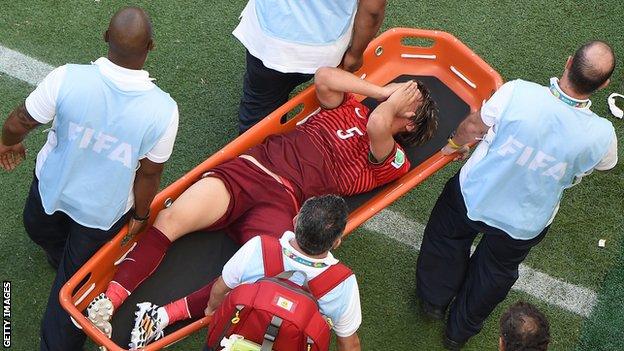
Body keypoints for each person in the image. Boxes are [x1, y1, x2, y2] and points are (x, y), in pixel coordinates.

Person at [87, 67, 439, 346]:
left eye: (409, 94)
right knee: (170, 218)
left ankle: (163, 317)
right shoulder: (351, 106)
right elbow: (324, 77)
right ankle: (110, 301)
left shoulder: (394, 159)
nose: (401, 88)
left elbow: (379, 124)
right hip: (252, 168)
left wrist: (389, 103)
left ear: (410, 122)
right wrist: (380, 92)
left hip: (283, 199)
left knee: (262, 277)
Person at [415, 41, 618, 350]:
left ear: (568, 61)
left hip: (474, 196)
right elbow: (605, 165)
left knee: (446, 239)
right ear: (604, 84)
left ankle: (433, 301)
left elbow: (472, 126)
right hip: (525, 223)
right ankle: (458, 332)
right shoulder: (603, 135)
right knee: (493, 274)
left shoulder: (518, 92)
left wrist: (454, 145)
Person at [0, 7, 179, 350]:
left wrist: (9, 142)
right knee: (76, 292)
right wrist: (141, 215)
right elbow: (149, 172)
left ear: (105, 38)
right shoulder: (164, 110)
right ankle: (65, 267)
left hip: (52, 189)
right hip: (103, 215)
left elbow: (19, 120)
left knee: (37, 227)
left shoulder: (66, 77)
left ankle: (61, 263)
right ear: (151, 46)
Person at [233, 0, 387, 134]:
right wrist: (355, 53)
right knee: (331, 97)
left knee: (259, 109)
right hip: (325, 45)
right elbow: (373, 9)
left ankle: (250, 161)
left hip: (270, 38)